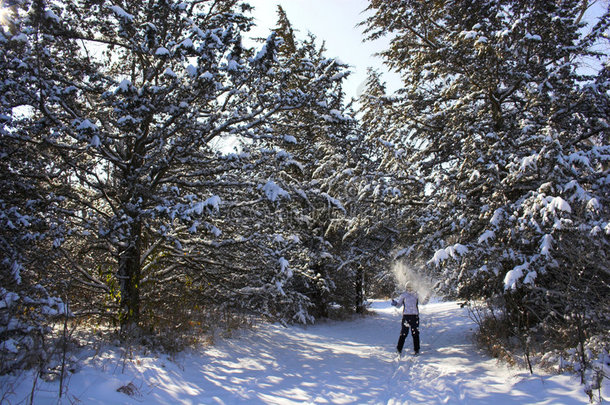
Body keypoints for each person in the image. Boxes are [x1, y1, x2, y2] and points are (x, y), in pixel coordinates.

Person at [391, 282, 420, 355]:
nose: (409, 289)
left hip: (414, 316)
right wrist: (394, 303)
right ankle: (399, 349)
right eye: (408, 287)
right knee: (403, 333)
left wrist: (427, 297)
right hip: (406, 316)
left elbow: (423, 302)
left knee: (415, 333)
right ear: (406, 288)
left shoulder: (416, 295)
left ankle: (417, 349)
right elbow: (399, 305)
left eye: (411, 287)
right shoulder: (404, 295)